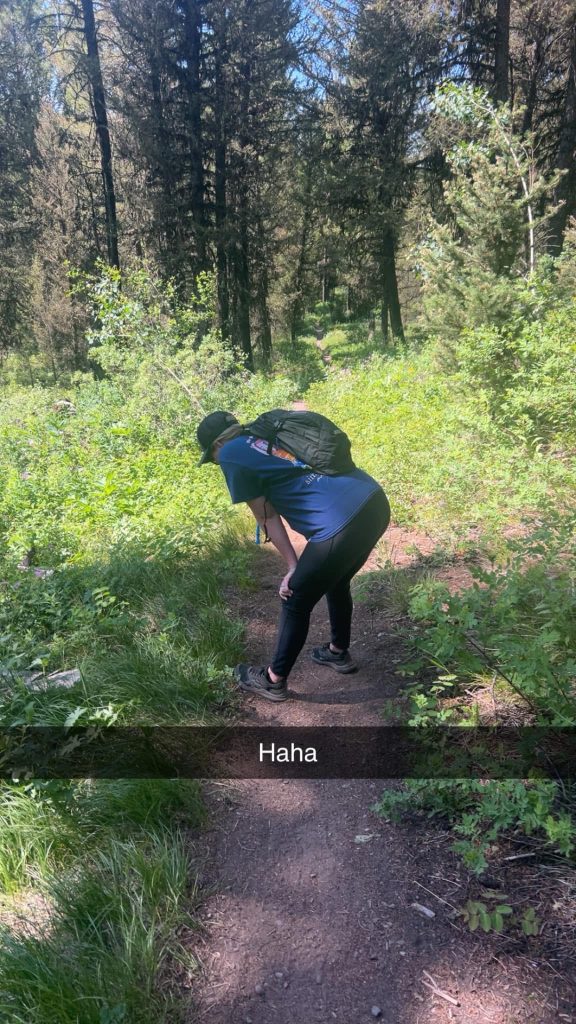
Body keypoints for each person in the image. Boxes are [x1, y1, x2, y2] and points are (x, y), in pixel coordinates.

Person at [197, 410, 390, 702]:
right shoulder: (261, 434)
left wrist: (292, 567)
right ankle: (338, 652)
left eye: (211, 458)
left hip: (342, 522)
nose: (216, 463)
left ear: (216, 446)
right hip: (372, 501)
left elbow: (267, 516)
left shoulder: (230, 455)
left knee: (295, 597)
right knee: (336, 580)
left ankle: (273, 680)